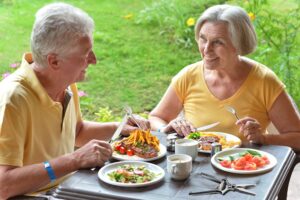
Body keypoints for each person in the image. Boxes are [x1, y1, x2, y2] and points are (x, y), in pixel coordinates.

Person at [0, 3, 149, 199]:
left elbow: (77, 132)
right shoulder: (13, 99)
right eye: (86, 54)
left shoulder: (65, 83)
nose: (94, 60)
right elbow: (4, 185)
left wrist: (119, 127)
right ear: (54, 61)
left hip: (68, 188)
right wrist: (74, 160)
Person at [149, 5, 300, 150]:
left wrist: (263, 138)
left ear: (239, 44)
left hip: (246, 168)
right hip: (196, 167)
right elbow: (156, 117)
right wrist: (165, 129)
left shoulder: (264, 81)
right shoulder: (188, 76)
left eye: (218, 42)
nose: (206, 49)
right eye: (203, 39)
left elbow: (297, 138)